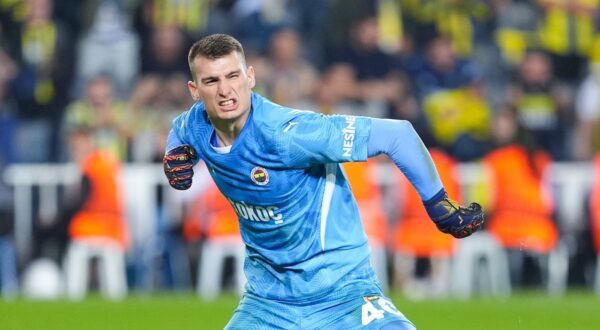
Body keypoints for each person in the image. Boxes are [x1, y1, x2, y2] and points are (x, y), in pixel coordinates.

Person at [163, 34, 485, 329]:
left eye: (233, 76)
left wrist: (438, 203)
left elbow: (397, 134)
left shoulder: (291, 134)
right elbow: (180, 131)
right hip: (268, 304)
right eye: (211, 81)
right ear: (195, 91)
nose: (224, 90)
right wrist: (176, 156)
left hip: (342, 295)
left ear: (250, 76)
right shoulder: (195, 124)